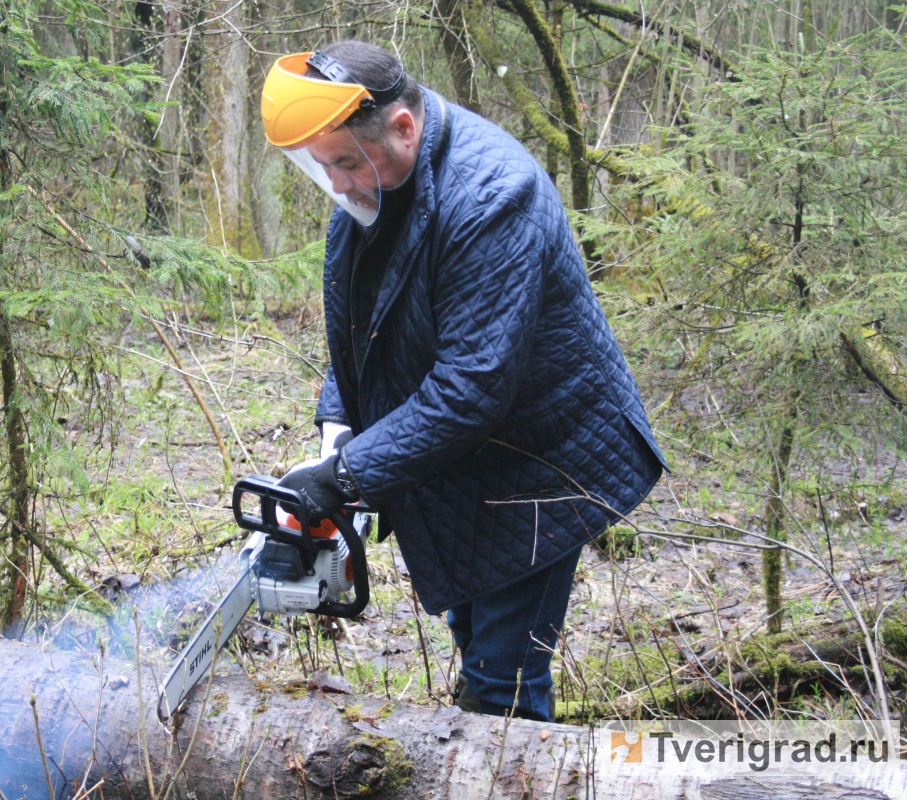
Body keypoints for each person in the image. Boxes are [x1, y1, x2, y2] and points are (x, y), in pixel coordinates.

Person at [263, 41, 666, 722]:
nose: (336, 184)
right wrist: (337, 432)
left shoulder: (491, 197)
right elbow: (369, 325)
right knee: (474, 636)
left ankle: (508, 757)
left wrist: (347, 475)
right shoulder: (379, 183)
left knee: (502, 675)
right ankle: (475, 733)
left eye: (344, 162)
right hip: (457, 463)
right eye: (322, 165)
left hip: (539, 464)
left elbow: (471, 388)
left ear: (403, 127)